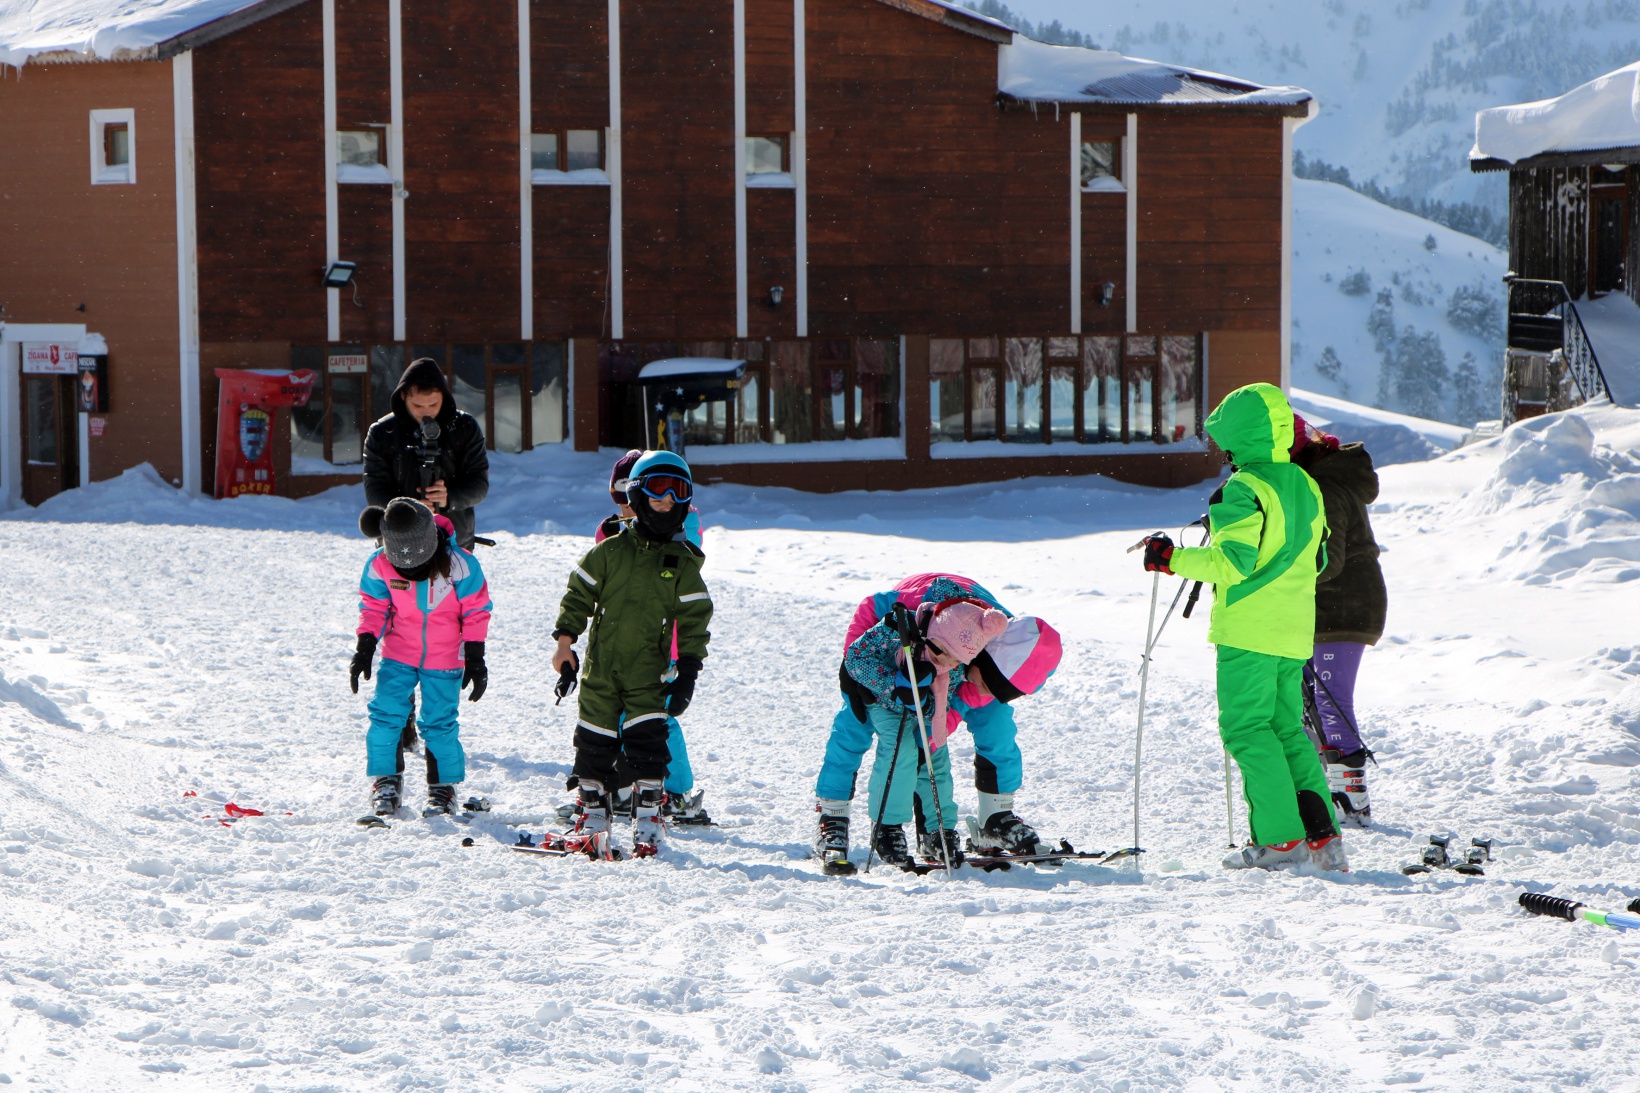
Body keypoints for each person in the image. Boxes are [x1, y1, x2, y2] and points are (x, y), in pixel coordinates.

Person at [1138, 382, 1347, 872]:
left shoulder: (1243, 488)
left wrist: (1170, 559)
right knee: (1286, 729)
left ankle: (1278, 841)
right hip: (1295, 630)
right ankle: (1321, 837)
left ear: (1238, 441)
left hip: (1249, 631)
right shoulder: (1305, 483)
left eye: (1224, 442)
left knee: (1248, 730)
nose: (1222, 452)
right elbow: (1317, 561)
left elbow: (1232, 563)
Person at [812, 574, 1062, 873]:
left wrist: (932, 734)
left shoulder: (984, 646)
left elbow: (960, 706)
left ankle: (994, 817)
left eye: (998, 692)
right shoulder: (940, 622)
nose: (985, 694)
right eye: (988, 686)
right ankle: (833, 815)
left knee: (995, 727)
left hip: (947, 660)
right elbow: (868, 608)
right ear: (982, 662)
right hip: (880, 646)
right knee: (855, 726)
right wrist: (855, 668)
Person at [551, 450, 713, 858]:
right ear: (637, 499)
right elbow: (578, 595)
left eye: (677, 498)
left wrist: (688, 673)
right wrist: (564, 643)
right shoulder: (608, 552)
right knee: (593, 744)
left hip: (649, 675)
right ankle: (592, 817)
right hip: (600, 672)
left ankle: (649, 823)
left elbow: (695, 619)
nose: (667, 506)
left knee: (648, 746)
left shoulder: (682, 563)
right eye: (658, 497)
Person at [841, 598, 1008, 868]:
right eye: (945, 655)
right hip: (882, 702)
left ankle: (939, 830)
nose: (950, 664)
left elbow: (943, 698)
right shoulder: (898, 628)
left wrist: (927, 704)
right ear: (933, 636)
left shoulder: (951, 664)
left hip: (924, 707)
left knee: (935, 754)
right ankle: (888, 827)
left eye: (958, 661)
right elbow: (856, 658)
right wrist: (896, 687)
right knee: (902, 750)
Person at [351, 498, 492, 817]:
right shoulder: (379, 564)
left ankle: (443, 789)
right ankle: (385, 781)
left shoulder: (461, 565)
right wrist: (366, 645)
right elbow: (374, 606)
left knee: (439, 723)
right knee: (386, 714)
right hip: (398, 654)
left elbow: (476, 610)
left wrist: (475, 655)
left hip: (444, 658)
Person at [590, 450, 709, 825]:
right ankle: (625, 786)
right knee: (618, 713)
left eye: (632, 498)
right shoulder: (610, 531)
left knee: (659, 715)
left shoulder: (680, 526)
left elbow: (687, 546)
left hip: (663, 644)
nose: (626, 508)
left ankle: (676, 791)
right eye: (619, 499)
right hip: (622, 640)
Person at [1291, 416, 1386, 828]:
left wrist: (1279, 576)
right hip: (1331, 605)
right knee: (1311, 700)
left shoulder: (1324, 486)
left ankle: (1350, 799)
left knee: (1331, 702)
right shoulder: (1321, 478)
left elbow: (1327, 561)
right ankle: (1330, 791)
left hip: (1344, 604)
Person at [363, 357, 490, 552]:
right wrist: (405, 508)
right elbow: (374, 489)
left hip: (454, 541)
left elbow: (479, 485)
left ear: (444, 397)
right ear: (404, 396)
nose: (426, 413)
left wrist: (449, 497)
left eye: (433, 404)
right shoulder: (382, 433)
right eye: (418, 406)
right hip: (399, 541)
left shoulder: (465, 427)